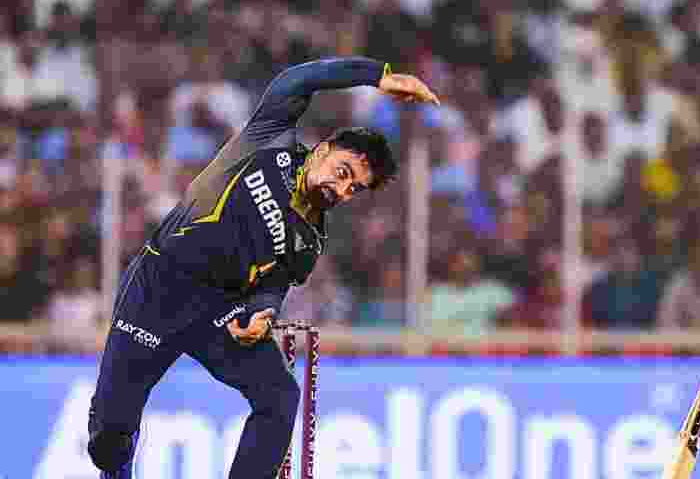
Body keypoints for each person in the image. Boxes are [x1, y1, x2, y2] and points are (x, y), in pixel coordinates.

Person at [87, 57, 438, 479]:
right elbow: (299, 79)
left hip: (218, 312)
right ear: (323, 149)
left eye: (354, 189)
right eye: (343, 172)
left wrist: (262, 315)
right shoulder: (271, 138)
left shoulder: (311, 239)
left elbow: (272, 285)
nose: (342, 188)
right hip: (158, 287)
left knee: (279, 398)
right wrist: (377, 76)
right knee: (109, 439)